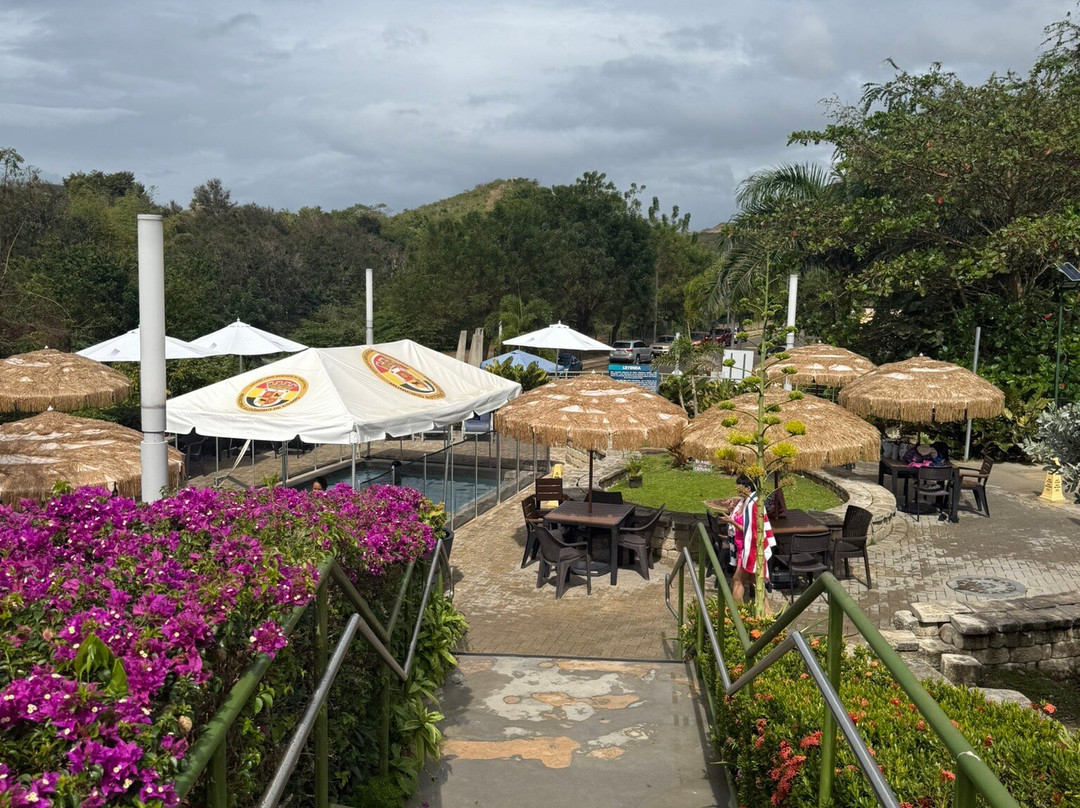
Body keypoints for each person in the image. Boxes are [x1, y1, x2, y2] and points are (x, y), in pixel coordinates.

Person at [717, 475, 777, 607]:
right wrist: (731, 510)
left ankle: (735, 612)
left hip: (749, 549)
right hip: (741, 547)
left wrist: (731, 521)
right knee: (755, 581)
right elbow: (742, 520)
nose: (737, 489)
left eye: (740, 487)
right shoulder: (744, 501)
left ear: (748, 488)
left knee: (737, 579)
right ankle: (767, 612)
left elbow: (751, 529)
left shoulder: (753, 504)